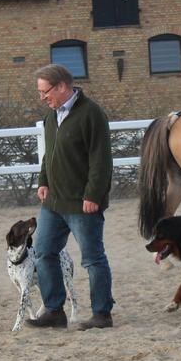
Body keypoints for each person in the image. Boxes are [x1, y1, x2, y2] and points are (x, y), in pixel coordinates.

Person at [25, 63, 115, 330]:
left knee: (93, 259)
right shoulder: (51, 117)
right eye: (40, 92)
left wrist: (93, 194)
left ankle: (102, 314)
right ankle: (54, 311)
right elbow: (49, 154)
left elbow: (102, 160)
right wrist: (44, 181)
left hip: (82, 203)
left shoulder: (91, 114)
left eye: (45, 91)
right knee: (42, 253)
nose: (42, 98)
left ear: (62, 86)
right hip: (53, 203)